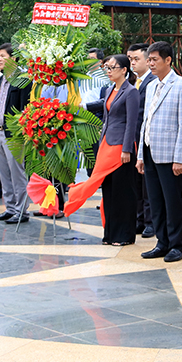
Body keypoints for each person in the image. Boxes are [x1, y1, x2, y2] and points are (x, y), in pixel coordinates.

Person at [64, 54, 140, 245]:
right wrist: (81, 106)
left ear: (124, 70)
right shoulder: (109, 90)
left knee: (122, 191)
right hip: (106, 143)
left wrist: (127, 149)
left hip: (121, 147)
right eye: (107, 67)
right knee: (108, 190)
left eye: (112, 67)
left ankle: (124, 235)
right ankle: (110, 233)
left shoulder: (131, 91)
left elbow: (132, 123)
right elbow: (103, 108)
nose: (108, 71)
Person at [137, 41, 182, 263]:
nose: (150, 63)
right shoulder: (152, 85)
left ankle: (177, 245)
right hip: (151, 150)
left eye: (154, 59)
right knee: (155, 200)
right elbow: (146, 120)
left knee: (173, 201)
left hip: (171, 155)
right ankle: (162, 242)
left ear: (168, 60)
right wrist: (141, 154)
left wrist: (179, 159)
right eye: (149, 59)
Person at [0, 44, 32, 224]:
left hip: (13, 135)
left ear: (13, 59)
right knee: (4, 173)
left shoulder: (22, 80)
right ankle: (10, 208)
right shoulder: (1, 80)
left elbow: (24, 109)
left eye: (2, 56)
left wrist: (20, 134)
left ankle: (22, 210)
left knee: (17, 173)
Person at [127, 43, 156, 238]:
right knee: (135, 183)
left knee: (148, 185)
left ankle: (150, 222)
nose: (132, 63)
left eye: (136, 59)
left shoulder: (153, 82)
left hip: (147, 140)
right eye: (130, 59)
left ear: (147, 60)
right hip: (133, 140)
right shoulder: (132, 82)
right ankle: (138, 219)